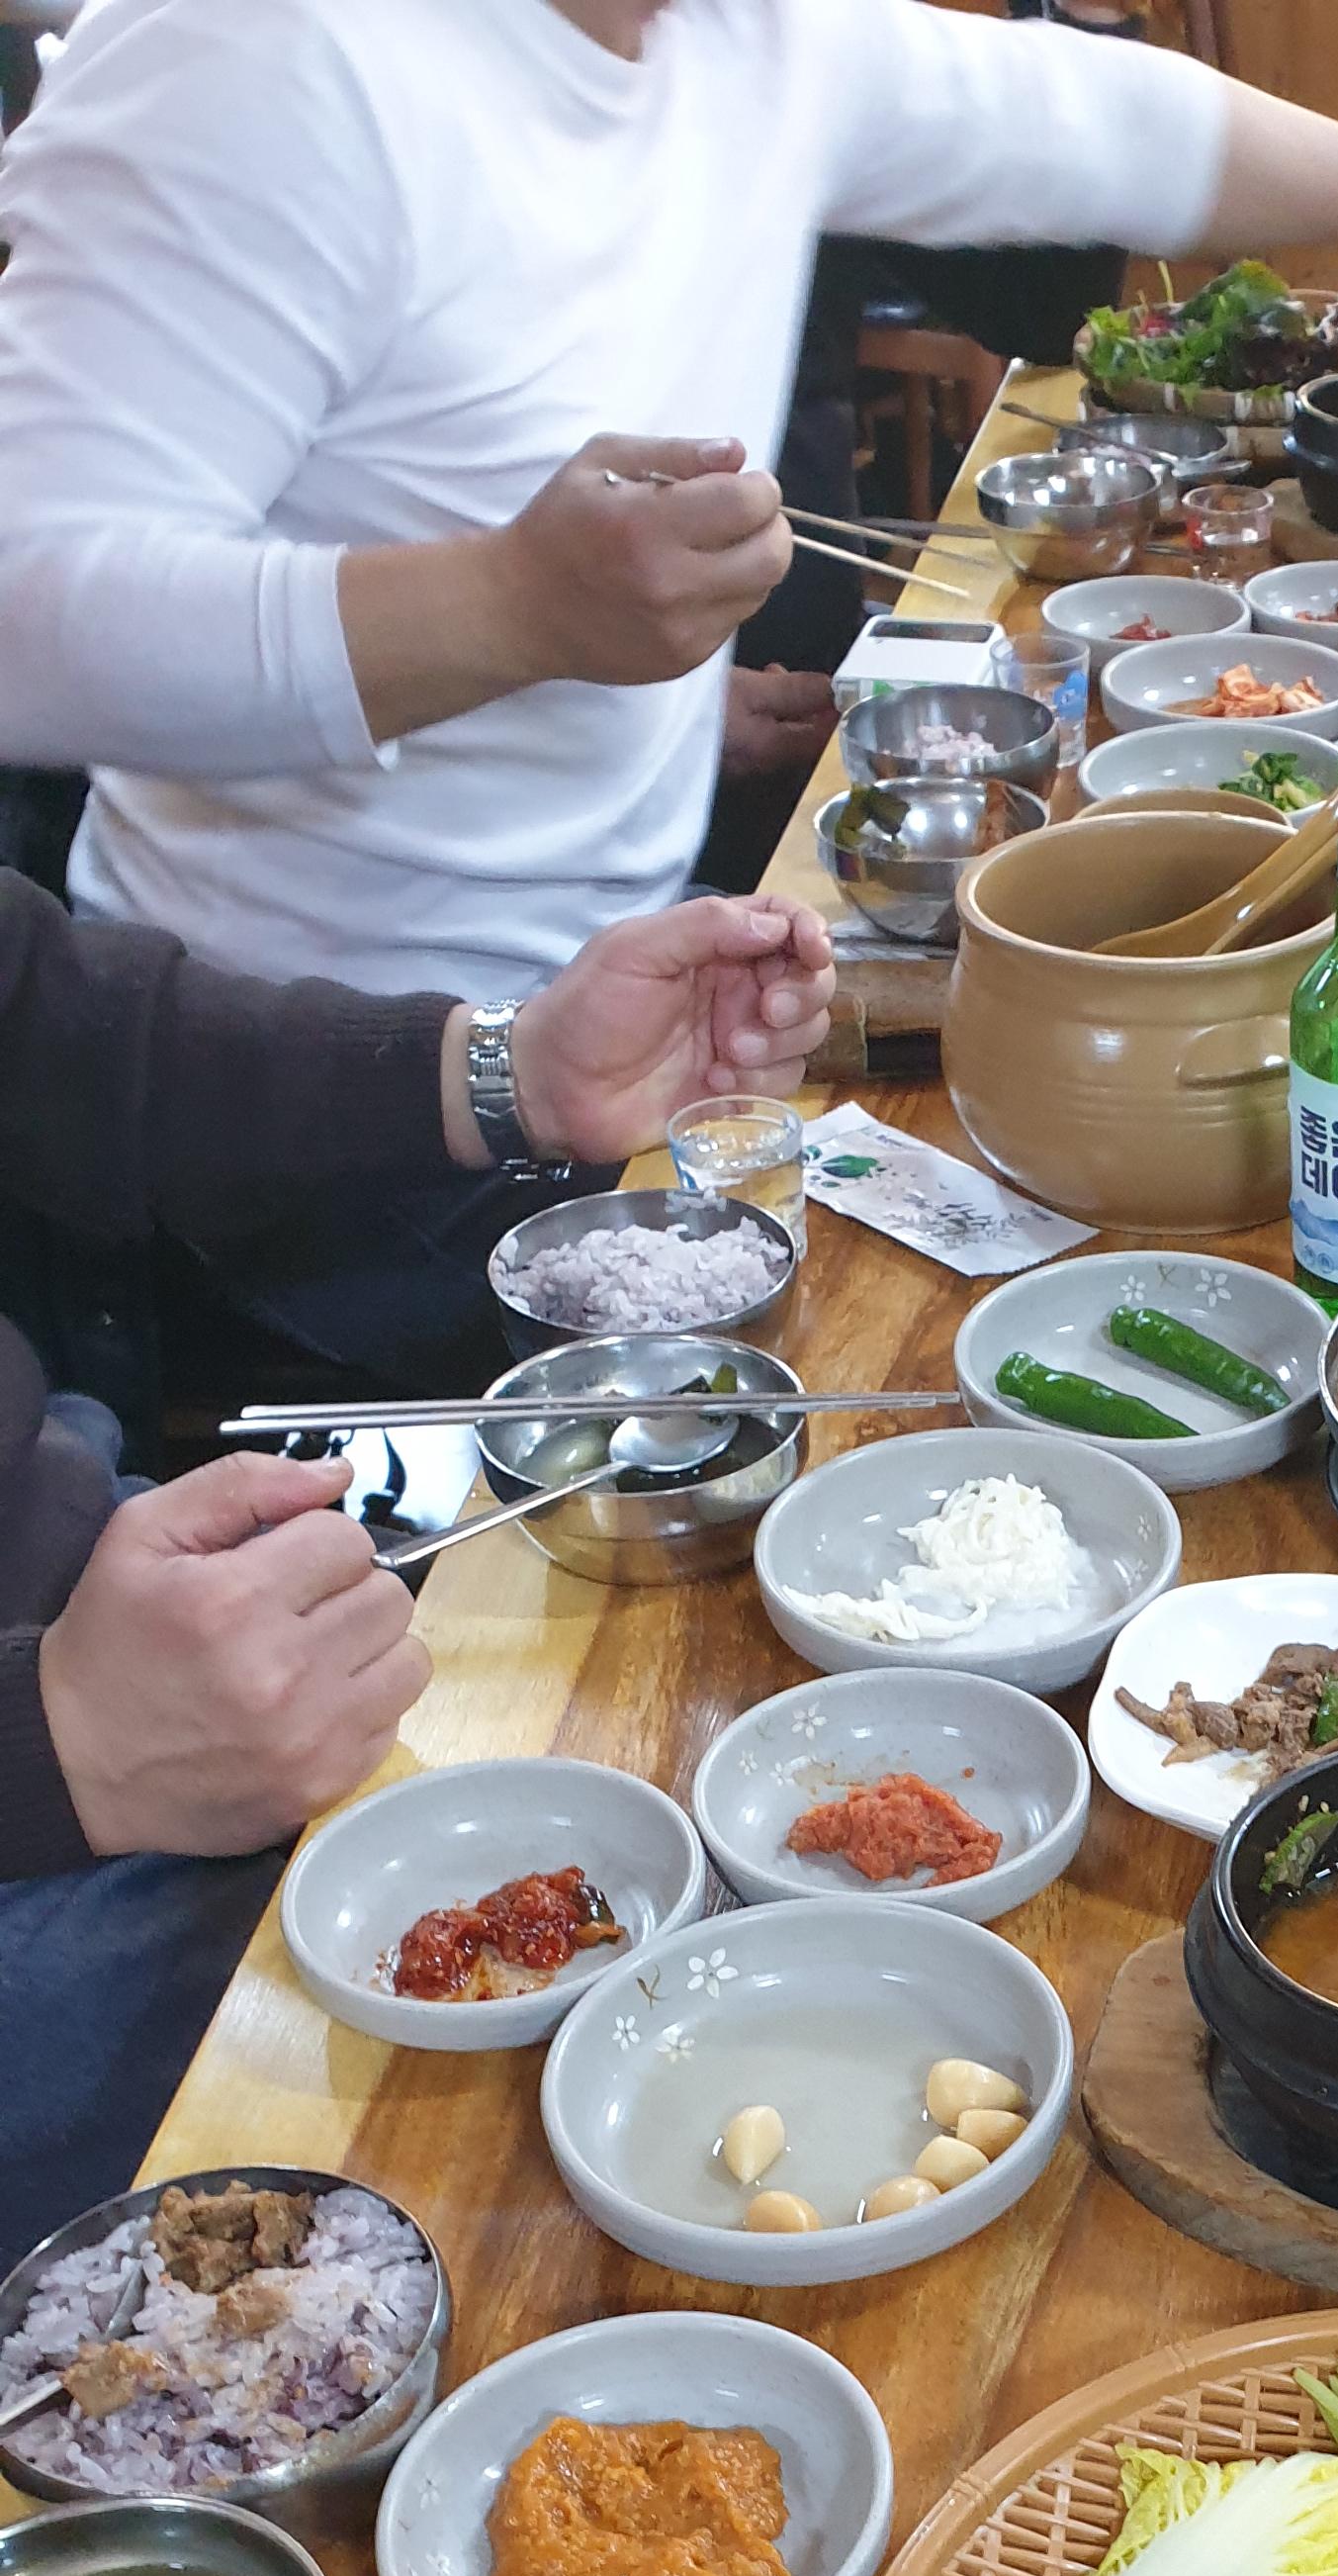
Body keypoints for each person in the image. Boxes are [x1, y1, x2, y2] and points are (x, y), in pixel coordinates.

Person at [0, 0, 1338, 1002]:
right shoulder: (256, 52)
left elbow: (1086, 118)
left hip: (646, 983)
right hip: (303, 1083)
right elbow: (27, 619)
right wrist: (511, 612)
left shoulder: (737, 38)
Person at [0, 882, 833, 2251]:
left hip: (80, 1572)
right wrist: (53, 1746)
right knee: (514, 2162)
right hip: (42, 1813)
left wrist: (507, 1073)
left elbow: (46, 1018)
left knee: (652, 1824)